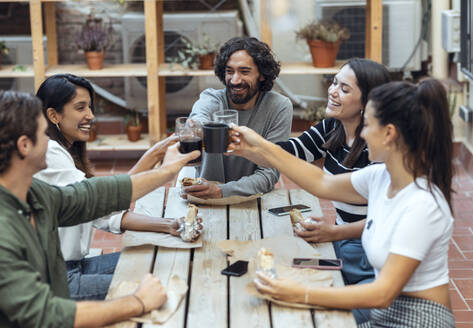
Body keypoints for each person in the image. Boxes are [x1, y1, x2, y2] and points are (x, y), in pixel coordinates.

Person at [229, 79, 455, 327]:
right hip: (386, 314)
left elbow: (381, 294)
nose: (362, 133)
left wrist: (298, 293)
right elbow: (321, 182)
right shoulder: (381, 177)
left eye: (367, 125)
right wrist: (257, 146)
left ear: (389, 133)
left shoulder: (422, 205)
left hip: (419, 320)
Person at [0, 90, 200, 327]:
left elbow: (90, 197)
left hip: (59, 287)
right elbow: (45, 316)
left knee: (168, 267)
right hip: (56, 305)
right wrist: (137, 301)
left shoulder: (31, 192)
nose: (48, 140)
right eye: (42, 133)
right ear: (25, 145)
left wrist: (165, 172)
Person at [34, 74, 201, 301]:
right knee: (163, 287)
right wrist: (159, 163)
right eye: (80, 108)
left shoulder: (63, 152)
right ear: (53, 115)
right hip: (55, 281)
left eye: (90, 107)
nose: (90, 116)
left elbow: (103, 213)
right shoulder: (49, 154)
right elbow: (101, 199)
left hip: (73, 266)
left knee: (160, 261)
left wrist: (170, 225)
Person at [277, 58, 391, 324]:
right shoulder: (333, 127)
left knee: (314, 313)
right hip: (342, 247)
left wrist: (335, 232)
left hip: (367, 257)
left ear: (367, 103)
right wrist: (245, 142)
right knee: (285, 272)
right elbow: (291, 153)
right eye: (334, 82)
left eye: (345, 88)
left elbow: (383, 219)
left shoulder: (377, 148)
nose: (332, 90)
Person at [183, 36, 293, 199]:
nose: (235, 80)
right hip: (205, 198)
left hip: (251, 199)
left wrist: (222, 191)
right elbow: (199, 118)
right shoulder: (211, 98)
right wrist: (195, 128)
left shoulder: (279, 107)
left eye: (244, 72)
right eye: (229, 71)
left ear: (262, 75)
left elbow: (269, 173)